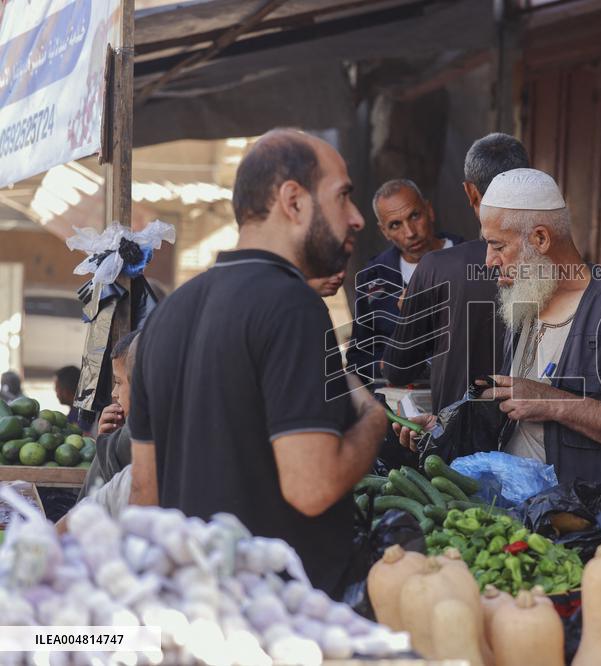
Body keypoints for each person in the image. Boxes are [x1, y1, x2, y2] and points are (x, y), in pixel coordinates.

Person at [128, 128, 387, 598]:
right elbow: (312, 487)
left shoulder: (167, 316)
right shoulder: (295, 308)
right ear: (293, 201)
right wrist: (373, 420)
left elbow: (145, 497)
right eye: (343, 196)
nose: (356, 219)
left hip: (196, 613)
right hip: (277, 621)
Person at [398, 168, 601, 499]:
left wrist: (552, 402)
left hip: (594, 532)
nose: (489, 261)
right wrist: (445, 428)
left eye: (497, 245)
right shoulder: (528, 303)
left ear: (541, 239)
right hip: (526, 520)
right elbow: (516, 411)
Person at [381, 133, 530, 412]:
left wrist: (412, 311)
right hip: (540, 439)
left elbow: (398, 369)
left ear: (470, 192)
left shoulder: (437, 268)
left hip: (460, 439)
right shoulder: (563, 268)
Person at [346, 179, 464, 382]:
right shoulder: (373, 277)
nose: (410, 233)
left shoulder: (471, 259)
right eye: (395, 225)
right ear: (384, 231)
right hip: (396, 406)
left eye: (415, 216)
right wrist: (385, 366)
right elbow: (358, 359)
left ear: (429, 210)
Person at [55, 332, 141, 533]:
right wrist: (107, 439)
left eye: (119, 382)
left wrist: (108, 441)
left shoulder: (134, 436)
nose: (113, 393)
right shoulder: (122, 435)